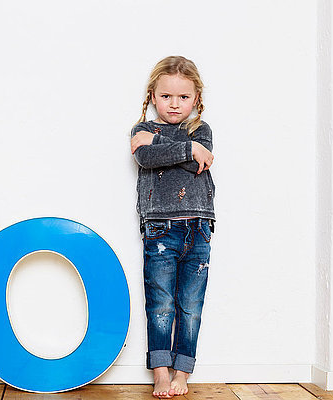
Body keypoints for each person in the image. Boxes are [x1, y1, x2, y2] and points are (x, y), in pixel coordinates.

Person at [130, 56, 215, 398]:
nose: (175, 104)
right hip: (159, 229)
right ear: (153, 96)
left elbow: (201, 155)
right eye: (166, 96)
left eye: (183, 97)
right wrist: (185, 149)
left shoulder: (202, 132)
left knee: (191, 306)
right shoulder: (143, 131)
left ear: (195, 99)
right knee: (160, 304)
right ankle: (161, 375)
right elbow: (144, 156)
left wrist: (190, 147)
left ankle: (182, 372)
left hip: (199, 227)